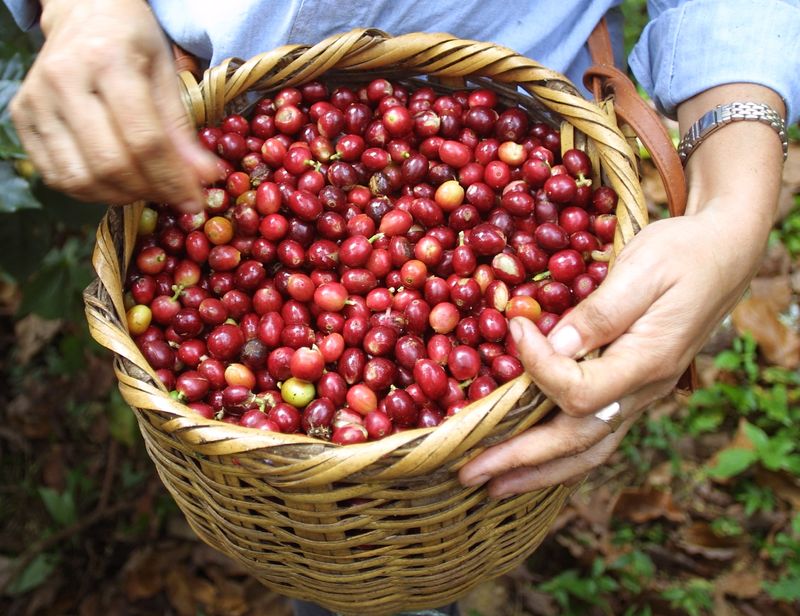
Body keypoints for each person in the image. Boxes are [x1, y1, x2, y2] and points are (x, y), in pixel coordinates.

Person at [4, 1, 799, 615]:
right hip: (193, 132)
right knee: (329, 531)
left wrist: (733, 206)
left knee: (424, 530)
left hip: (528, 102)